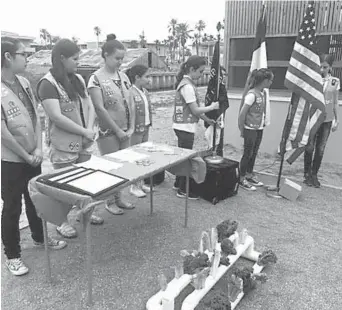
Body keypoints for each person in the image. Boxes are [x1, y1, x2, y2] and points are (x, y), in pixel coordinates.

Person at [1, 38, 67, 276]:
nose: (27, 58)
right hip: (10, 160)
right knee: (11, 207)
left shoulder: (25, 82)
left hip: (33, 156)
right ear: (8, 57)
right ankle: (13, 255)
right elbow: (3, 132)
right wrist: (25, 156)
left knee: (34, 199)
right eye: (23, 54)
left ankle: (40, 238)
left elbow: (36, 117)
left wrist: (38, 150)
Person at [37, 39, 104, 239]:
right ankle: (61, 222)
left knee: (85, 181)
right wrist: (84, 132)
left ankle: (84, 212)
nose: (77, 62)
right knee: (64, 186)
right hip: (63, 145)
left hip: (84, 142)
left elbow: (89, 105)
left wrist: (90, 129)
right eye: (75, 59)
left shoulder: (78, 80)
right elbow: (57, 117)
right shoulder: (47, 84)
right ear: (61, 58)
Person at [88, 34, 135, 215]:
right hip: (108, 131)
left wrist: (130, 127)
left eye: (122, 59)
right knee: (109, 168)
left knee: (122, 167)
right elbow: (99, 108)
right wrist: (117, 130)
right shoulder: (95, 79)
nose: (120, 62)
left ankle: (120, 197)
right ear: (105, 55)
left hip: (125, 130)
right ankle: (109, 201)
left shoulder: (123, 76)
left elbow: (130, 102)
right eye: (117, 58)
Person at [172, 55, 219, 199]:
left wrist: (208, 120)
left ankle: (178, 183)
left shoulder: (187, 83)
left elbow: (196, 110)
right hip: (184, 127)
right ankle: (183, 189)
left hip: (184, 126)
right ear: (192, 69)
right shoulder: (187, 86)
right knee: (186, 158)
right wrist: (212, 107)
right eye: (200, 71)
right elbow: (196, 110)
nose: (201, 75)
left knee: (182, 156)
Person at [303, 54, 339, 188]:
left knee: (321, 148)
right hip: (313, 118)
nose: (322, 69)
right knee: (309, 146)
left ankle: (314, 174)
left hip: (327, 119)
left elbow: (335, 102)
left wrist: (337, 119)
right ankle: (306, 173)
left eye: (325, 67)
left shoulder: (335, 81)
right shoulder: (314, 79)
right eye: (320, 66)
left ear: (330, 67)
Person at [238, 68, 274, 191]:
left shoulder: (262, 93)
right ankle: (241, 178)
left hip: (258, 128)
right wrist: (242, 129)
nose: (271, 83)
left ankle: (249, 174)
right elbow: (242, 113)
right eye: (270, 80)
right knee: (247, 153)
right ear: (264, 81)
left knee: (254, 152)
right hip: (250, 129)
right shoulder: (252, 94)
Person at [126, 64, 153, 198]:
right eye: (147, 77)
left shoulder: (145, 91)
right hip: (136, 129)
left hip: (145, 126)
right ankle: (133, 185)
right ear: (137, 77)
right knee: (135, 157)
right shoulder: (130, 92)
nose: (150, 80)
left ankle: (140, 182)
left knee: (143, 156)